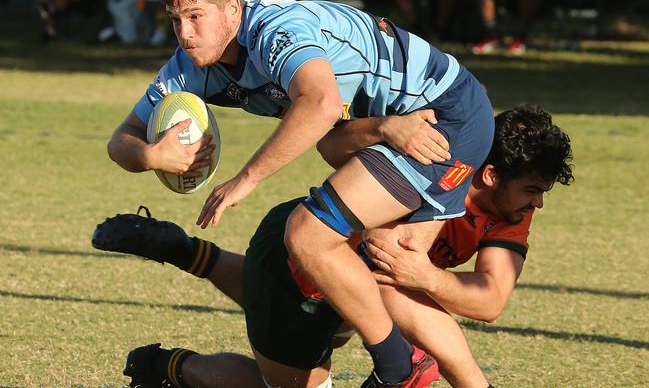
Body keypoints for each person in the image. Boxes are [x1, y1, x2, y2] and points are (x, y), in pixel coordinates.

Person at [107, 0, 494, 387]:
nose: (185, 32)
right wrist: (152, 155)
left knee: (310, 235)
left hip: (441, 115)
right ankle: (411, 367)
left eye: (195, 16)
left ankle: (397, 367)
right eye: (175, 20)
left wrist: (245, 180)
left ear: (233, 8)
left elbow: (321, 103)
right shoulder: (191, 67)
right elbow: (120, 140)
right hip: (383, 130)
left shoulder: (277, 30)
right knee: (385, 270)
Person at [95, 105, 573, 388]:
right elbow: (332, 142)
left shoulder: (510, 207)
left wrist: (427, 277)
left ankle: (184, 250)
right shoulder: (434, 161)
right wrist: (386, 126)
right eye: (533, 190)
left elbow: (489, 298)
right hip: (295, 257)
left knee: (353, 308)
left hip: (332, 285)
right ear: (490, 176)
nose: (539, 204)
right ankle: (169, 366)